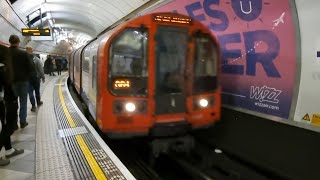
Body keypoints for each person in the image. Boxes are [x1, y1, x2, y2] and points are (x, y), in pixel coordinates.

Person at [0, 44, 24, 166]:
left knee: (5, 126)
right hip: (6, 101)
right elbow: (8, 85)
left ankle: (9, 149)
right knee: (9, 126)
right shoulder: (3, 69)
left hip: (5, 101)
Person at [8, 34, 33, 128]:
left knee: (12, 103)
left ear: (9, 42)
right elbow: (30, 67)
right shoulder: (23, 53)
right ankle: (23, 121)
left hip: (11, 81)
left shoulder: (5, 52)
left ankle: (14, 124)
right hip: (23, 81)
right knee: (23, 102)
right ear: (18, 42)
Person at [26, 47, 45, 112]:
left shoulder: (23, 60)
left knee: (30, 92)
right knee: (37, 91)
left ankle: (33, 106)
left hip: (28, 79)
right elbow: (40, 69)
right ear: (32, 51)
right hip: (36, 78)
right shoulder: (37, 59)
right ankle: (38, 102)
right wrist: (43, 77)